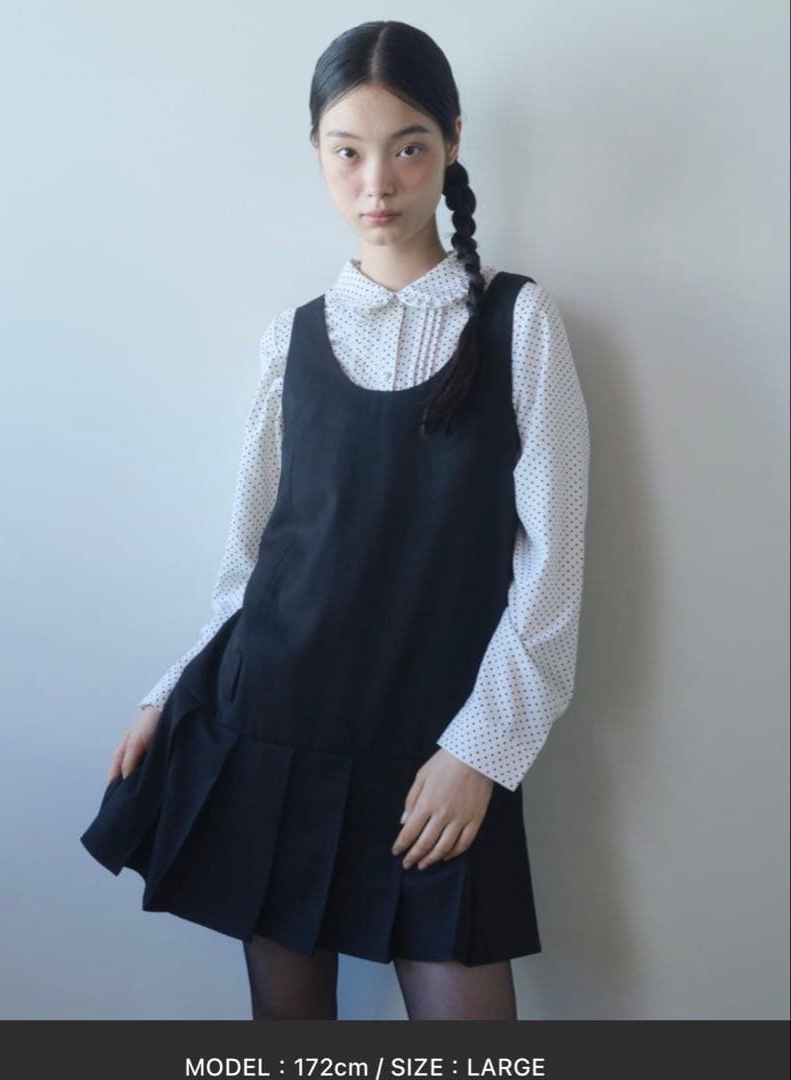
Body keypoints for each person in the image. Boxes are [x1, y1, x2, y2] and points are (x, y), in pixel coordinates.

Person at [80, 20, 590, 1021]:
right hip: (273, 734)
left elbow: (552, 573)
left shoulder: (518, 323)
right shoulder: (292, 340)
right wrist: (170, 692)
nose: (376, 184)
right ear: (316, 152)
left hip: (439, 748)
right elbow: (250, 565)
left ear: (451, 140)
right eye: (346, 152)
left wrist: (480, 753)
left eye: (407, 147)